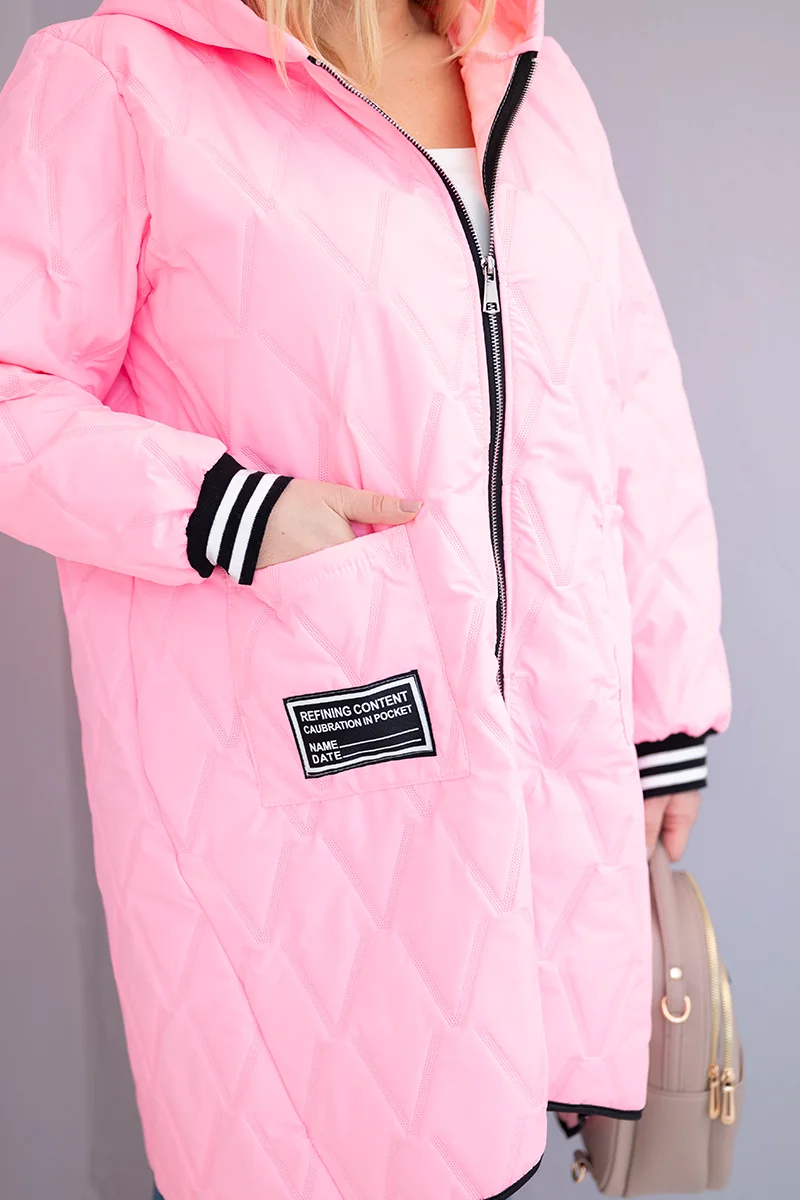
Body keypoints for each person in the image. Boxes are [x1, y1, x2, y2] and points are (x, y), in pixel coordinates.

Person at [0, 0, 731, 1195]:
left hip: (556, 769)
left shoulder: (532, 79)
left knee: (525, 1140)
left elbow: (628, 400)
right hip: (298, 800)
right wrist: (231, 509)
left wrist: (665, 714)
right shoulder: (116, 78)